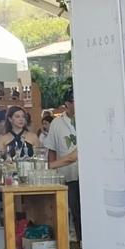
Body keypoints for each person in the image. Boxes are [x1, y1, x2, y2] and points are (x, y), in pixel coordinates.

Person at [44, 87, 80, 238]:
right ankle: (80, 246)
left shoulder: (89, 119)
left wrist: (49, 166)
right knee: (75, 213)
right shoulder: (57, 123)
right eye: (75, 100)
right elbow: (51, 150)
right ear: (67, 103)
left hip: (89, 176)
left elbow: (74, 156)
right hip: (68, 177)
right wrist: (51, 172)